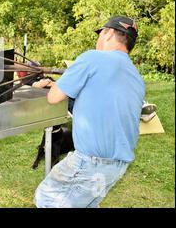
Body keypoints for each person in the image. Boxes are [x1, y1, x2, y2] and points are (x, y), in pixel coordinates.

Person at [34, 16, 145, 208]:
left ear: (109, 33)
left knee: (46, 199)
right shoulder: (135, 75)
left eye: (100, 33)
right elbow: (99, 102)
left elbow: (53, 98)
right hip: (117, 166)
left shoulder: (93, 57)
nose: (98, 39)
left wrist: (47, 85)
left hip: (90, 163)